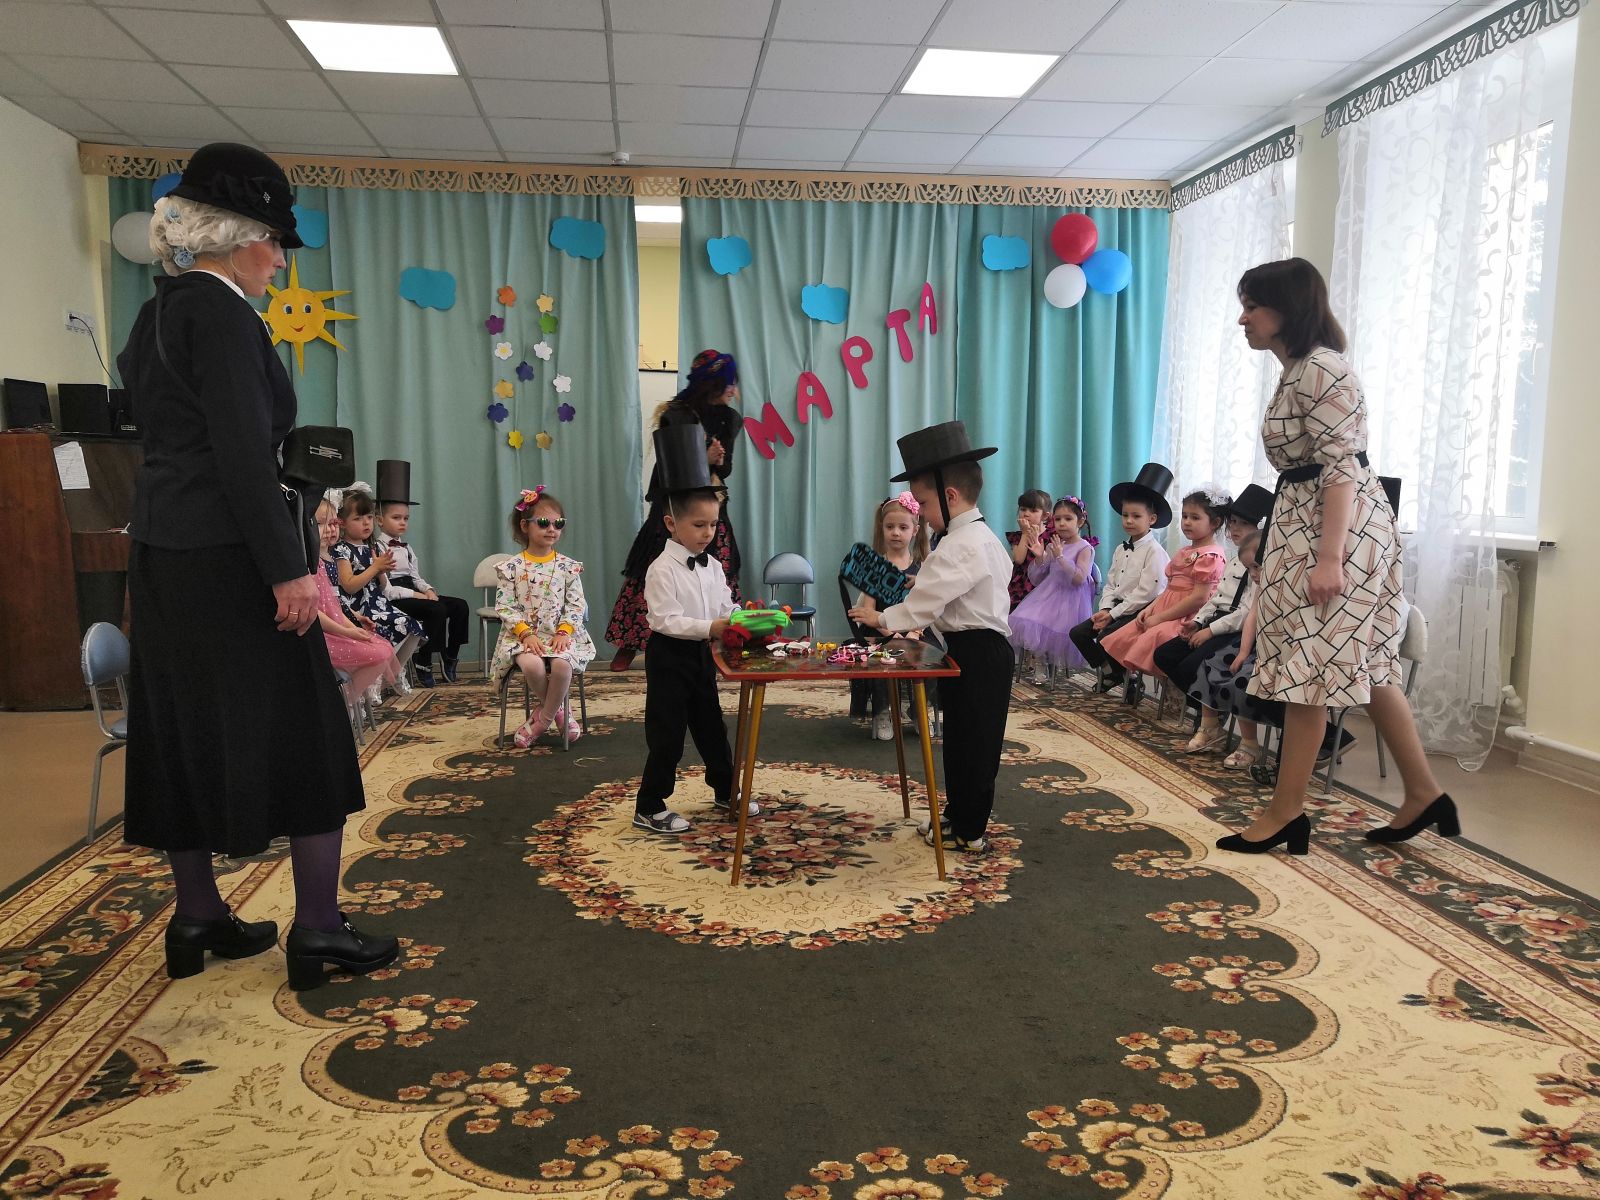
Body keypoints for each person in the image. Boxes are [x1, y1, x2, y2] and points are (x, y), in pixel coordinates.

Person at [116, 141, 397, 991]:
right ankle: (318, 931)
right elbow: (242, 454)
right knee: (309, 735)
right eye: (274, 241)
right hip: (234, 560)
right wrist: (289, 570)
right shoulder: (228, 317)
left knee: (180, 729)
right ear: (236, 239)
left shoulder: (156, 313)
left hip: (163, 553)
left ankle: (198, 914)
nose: (279, 259)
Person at [1217, 257, 1457, 855]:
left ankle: (1285, 812)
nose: (1243, 319)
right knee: (1366, 667)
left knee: (1310, 671)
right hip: (1311, 519)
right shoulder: (1298, 370)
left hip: (1334, 530)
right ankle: (1424, 793)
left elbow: (1342, 466)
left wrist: (1330, 558)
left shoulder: (1322, 369)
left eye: (1252, 306)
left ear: (1287, 309)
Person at [849, 421, 1013, 853]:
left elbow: (920, 609)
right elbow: (953, 590)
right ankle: (958, 814)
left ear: (950, 496)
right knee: (960, 739)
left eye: (922, 503)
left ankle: (970, 831)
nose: (919, 513)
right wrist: (918, 587)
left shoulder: (960, 545)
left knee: (976, 745)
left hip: (980, 653)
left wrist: (879, 616)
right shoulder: (977, 537)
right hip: (973, 650)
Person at [634, 425, 746, 834]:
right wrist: (712, 625)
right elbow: (665, 620)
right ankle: (649, 805)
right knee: (667, 735)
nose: (708, 533)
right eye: (699, 525)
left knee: (713, 728)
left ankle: (725, 791)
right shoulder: (660, 569)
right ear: (671, 523)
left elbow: (724, 605)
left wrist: (741, 617)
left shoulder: (712, 565)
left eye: (713, 525)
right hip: (669, 657)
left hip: (701, 656)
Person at [606, 349, 743, 671]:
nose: (734, 390)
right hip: (675, 502)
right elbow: (671, 464)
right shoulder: (677, 413)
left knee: (716, 573)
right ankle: (630, 642)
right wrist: (702, 458)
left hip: (709, 502)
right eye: (729, 383)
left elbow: (724, 470)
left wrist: (717, 461)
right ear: (713, 383)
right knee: (649, 572)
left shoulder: (730, 418)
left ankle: (722, 641)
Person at [1152, 483, 1273, 747]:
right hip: (1214, 620)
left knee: (1194, 664)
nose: (1235, 529)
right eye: (1233, 522)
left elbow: (1245, 612)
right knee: (1165, 654)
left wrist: (1210, 631)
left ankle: (1210, 717)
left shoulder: (1259, 566)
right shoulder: (1233, 558)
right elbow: (1215, 597)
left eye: (1244, 524)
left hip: (1233, 629)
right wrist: (1197, 622)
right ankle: (1209, 711)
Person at [1101, 487, 1230, 705]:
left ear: (1215, 523)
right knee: (1125, 634)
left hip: (1186, 615)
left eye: (1195, 518)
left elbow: (1198, 598)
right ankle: (1164, 691)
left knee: (1155, 637)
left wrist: (1160, 618)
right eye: (1185, 516)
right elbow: (1169, 588)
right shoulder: (1184, 551)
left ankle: (1178, 696)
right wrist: (1150, 609)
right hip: (1166, 606)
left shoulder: (1211, 556)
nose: (1187, 522)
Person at [492, 487, 597, 747]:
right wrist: (525, 634)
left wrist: (564, 631)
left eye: (558, 523)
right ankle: (560, 713)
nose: (552, 529)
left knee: (562, 666)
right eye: (543, 523)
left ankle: (541, 720)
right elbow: (505, 606)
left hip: (560, 635)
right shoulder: (512, 567)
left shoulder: (568, 567)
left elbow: (576, 604)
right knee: (533, 666)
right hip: (523, 637)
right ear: (524, 526)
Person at [1068, 463, 1173, 691]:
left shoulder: (1155, 552)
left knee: (1106, 637)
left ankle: (1126, 679)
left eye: (1136, 516)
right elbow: (1111, 583)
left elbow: (1147, 593)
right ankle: (1115, 674)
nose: (1129, 521)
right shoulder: (1120, 549)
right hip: (1116, 608)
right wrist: (1106, 609)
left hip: (1139, 610)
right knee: (1078, 634)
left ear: (1152, 519)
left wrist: (1113, 615)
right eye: (1125, 515)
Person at [375, 459, 468, 687]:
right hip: (396, 598)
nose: (403, 523)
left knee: (459, 606)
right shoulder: (376, 548)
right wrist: (419, 596)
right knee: (436, 609)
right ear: (379, 520)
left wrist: (428, 589)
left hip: (414, 591)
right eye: (396, 518)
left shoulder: (406, 548)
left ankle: (450, 655)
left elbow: (415, 577)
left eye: (406, 518)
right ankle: (423, 661)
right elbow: (388, 590)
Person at [848, 491, 930, 740]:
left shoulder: (923, 567)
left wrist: (914, 633)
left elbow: (927, 607)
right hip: (880, 630)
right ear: (881, 529)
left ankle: (919, 709)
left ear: (914, 531)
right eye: (890, 527)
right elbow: (869, 612)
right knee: (879, 658)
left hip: (914, 630)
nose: (895, 532)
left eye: (902, 527)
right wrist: (891, 633)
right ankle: (882, 711)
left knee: (932, 655)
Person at [333, 483, 421, 694]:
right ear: (342, 523)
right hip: (359, 607)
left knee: (413, 627)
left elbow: (383, 586)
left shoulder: (371, 548)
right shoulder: (342, 549)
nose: (366, 523)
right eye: (358, 518)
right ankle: (374, 680)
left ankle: (393, 672)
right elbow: (349, 586)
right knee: (394, 626)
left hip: (378, 603)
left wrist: (382, 570)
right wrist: (375, 567)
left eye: (369, 517)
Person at [313, 498, 402, 701]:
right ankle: (346, 701)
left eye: (333, 523)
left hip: (342, 620)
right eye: (320, 523)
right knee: (378, 651)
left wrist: (353, 620)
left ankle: (351, 699)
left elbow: (334, 603)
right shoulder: (319, 562)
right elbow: (328, 603)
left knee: (384, 647)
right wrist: (347, 629)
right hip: (323, 634)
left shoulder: (324, 562)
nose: (330, 529)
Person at [1007, 495, 1098, 684]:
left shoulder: (1085, 548)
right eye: (1058, 519)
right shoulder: (1053, 544)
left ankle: (1048, 663)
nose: (1062, 524)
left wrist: (1061, 558)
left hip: (1070, 600)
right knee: (1028, 618)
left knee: (1048, 623)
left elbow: (1079, 579)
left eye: (1068, 519)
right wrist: (1040, 557)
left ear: (1080, 521)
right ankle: (1040, 663)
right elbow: (1038, 578)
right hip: (1048, 593)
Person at [1005, 489, 1052, 609]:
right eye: (1023, 509)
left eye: (1033, 510)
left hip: (1041, 587)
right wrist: (1025, 533)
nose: (1026, 514)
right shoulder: (1017, 536)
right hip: (1019, 588)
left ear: (1045, 515)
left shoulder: (1051, 535)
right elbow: (1019, 559)